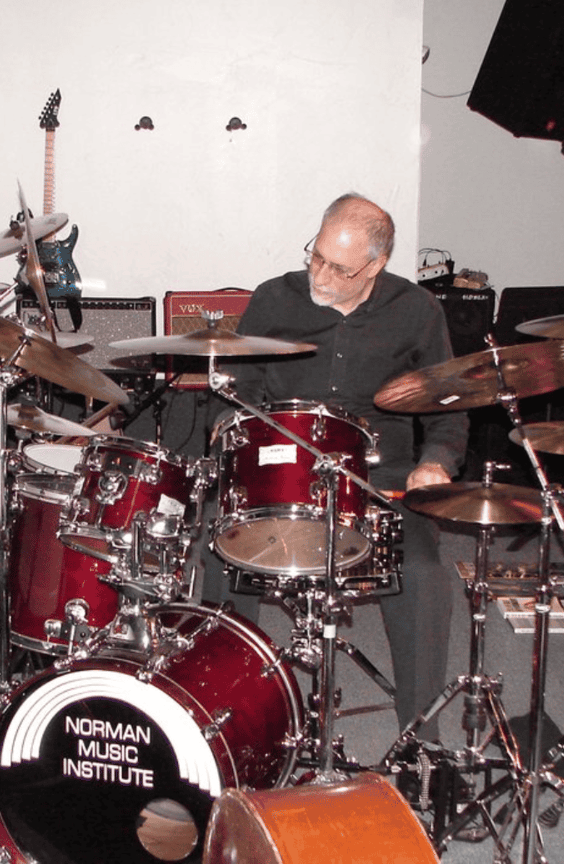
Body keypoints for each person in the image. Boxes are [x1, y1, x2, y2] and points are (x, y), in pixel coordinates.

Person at [206, 192, 468, 741]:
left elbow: (448, 408)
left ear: (375, 265)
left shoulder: (417, 311)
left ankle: (422, 743)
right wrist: (233, 432)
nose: (320, 273)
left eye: (339, 267)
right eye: (316, 255)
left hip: (379, 476)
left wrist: (436, 465)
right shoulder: (274, 299)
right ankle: (223, 725)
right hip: (281, 464)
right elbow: (240, 389)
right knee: (221, 556)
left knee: (423, 574)